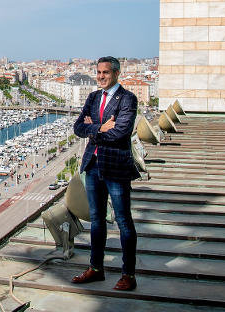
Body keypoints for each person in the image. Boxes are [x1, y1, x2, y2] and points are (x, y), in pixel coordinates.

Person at [71, 56, 139, 291]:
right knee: (97, 220)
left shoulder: (127, 99)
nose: (100, 76)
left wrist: (93, 131)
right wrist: (100, 127)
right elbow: (78, 127)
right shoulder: (92, 97)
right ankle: (96, 268)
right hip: (93, 164)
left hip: (116, 167)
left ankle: (128, 274)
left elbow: (120, 133)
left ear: (117, 74)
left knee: (123, 221)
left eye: (105, 73)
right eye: (98, 72)